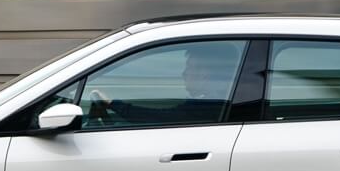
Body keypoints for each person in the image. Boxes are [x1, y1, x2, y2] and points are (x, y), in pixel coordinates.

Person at [87, 43, 239, 126]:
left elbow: (157, 117)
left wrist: (113, 104)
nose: (184, 73)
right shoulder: (221, 106)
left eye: (189, 67)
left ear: (205, 73)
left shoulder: (209, 107)